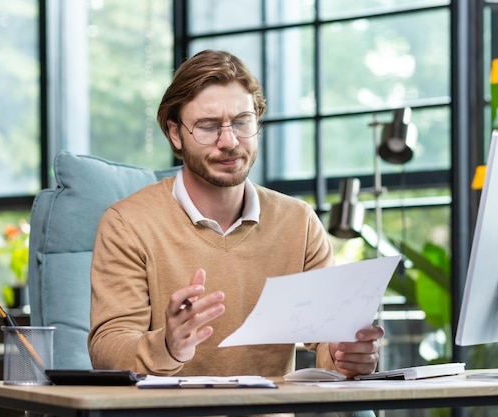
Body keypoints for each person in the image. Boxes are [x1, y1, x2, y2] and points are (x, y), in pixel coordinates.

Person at [87, 49, 384, 379]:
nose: (229, 141)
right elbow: (107, 350)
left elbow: (330, 341)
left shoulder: (298, 222)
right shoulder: (127, 224)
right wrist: (168, 345)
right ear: (175, 133)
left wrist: (347, 354)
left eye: (242, 122)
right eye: (207, 126)